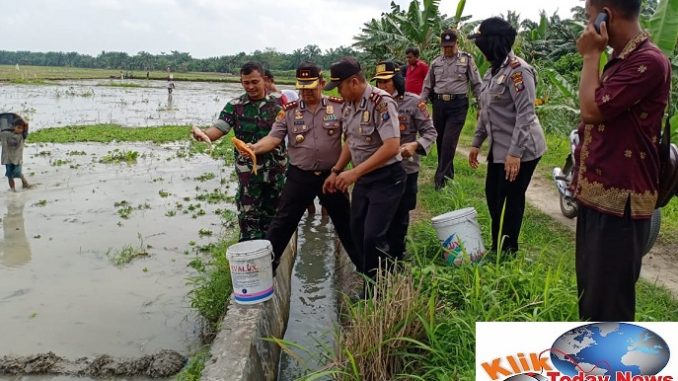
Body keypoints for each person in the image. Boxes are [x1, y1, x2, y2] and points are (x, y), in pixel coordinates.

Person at [573, 0, 671, 321]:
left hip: (621, 207)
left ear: (606, 15)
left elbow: (591, 110)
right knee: (591, 301)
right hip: (597, 200)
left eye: (590, 18)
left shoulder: (648, 62)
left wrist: (590, 56)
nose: (588, 27)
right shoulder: (622, 59)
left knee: (609, 313)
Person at [244, 63, 359, 271]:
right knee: (281, 225)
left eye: (311, 87)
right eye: (301, 88)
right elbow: (273, 138)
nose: (305, 92)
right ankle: (264, 272)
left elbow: (351, 140)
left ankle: (366, 272)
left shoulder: (340, 107)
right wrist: (255, 148)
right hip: (299, 177)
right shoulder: (288, 111)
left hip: (331, 176)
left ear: (322, 84)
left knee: (347, 226)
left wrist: (340, 170)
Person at [468, 17, 546, 255]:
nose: (478, 46)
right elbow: (485, 112)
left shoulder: (518, 71)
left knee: (510, 200)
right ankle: (497, 246)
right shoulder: (493, 72)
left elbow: (526, 114)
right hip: (499, 148)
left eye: (481, 41)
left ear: (493, 42)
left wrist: (515, 154)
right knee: (493, 196)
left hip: (523, 149)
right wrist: (476, 143)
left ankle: (506, 251)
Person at [322, 57, 404, 280]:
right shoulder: (349, 105)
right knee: (356, 230)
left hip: (387, 178)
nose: (338, 92)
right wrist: (337, 171)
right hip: (364, 178)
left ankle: (378, 290)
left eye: (339, 86)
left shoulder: (381, 102)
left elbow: (392, 146)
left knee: (373, 236)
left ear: (355, 82)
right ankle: (370, 278)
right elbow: (352, 141)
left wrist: (354, 173)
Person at [192, 61, 287, 241]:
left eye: (254, 81)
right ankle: (250, 256)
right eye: (246, 82)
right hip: (248, 173)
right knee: (248, 217)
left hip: (276, 171)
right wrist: (203, 135)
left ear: (264, 79)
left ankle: (273, 256)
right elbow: (220, 128)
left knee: (274, 217)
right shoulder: (235, 105)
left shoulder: (279, 103)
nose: (250, 86)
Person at [373, 60, 437, 260]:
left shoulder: (414, 102)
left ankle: (397, 256)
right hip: (379, 167)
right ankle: (379, 258)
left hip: (405, 168)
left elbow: (430, 132)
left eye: (387, 82)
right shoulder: (372, 103)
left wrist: (415, 146)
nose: (382, 87)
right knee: (379, 215)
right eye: (379, 83)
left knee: (400, 215)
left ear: (397, 81)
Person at [421, 29, 482, 190]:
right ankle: (448, 175)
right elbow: (428, 85)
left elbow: (477, 84)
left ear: (457, 43)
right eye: (445, 46)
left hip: (458, 105)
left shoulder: (467, 60)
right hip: (439, 105)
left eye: (450, 46)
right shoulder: (436, 63)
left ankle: (439, 181)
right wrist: (422, 102)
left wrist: (482, 106)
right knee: (441, 142)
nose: (447, 49)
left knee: (449, 142)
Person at [0, 115, 31, 192]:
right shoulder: (5, 134)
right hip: (7, 158)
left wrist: (23, 120)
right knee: (9, 175)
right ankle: (12, 189)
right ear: (13, 126)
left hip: (17, 159)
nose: (19, 130)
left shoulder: (22, 136)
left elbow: (26, 125)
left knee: (17, 172)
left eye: (21, 128)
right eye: (18, 127)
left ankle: (24, 182)